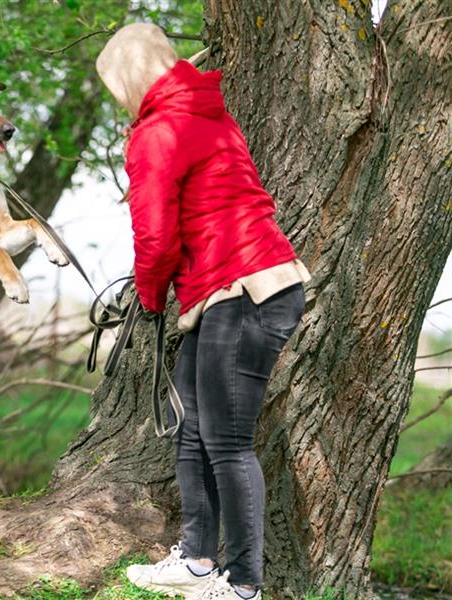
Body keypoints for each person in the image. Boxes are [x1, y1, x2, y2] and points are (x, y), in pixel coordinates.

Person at [95, 23, 311, 600]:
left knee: (228, 442)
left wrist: (146, 297)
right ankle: (195, 561)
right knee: (194, 428)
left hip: (245, 291)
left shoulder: (156, 133)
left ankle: (243, 586)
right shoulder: (206, 116)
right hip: (236, 289)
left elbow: (157, 237)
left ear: (128, 81)